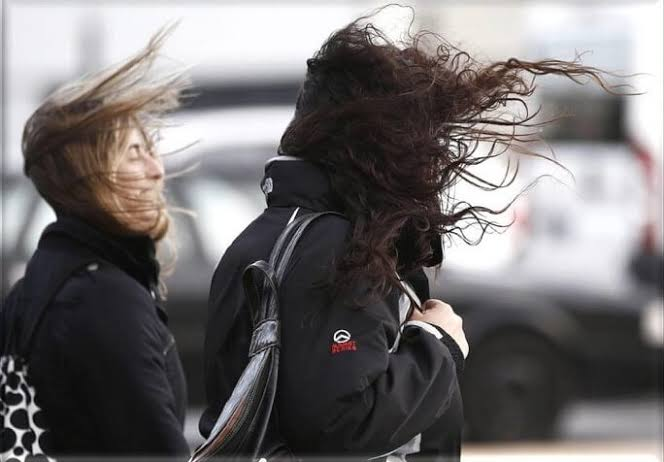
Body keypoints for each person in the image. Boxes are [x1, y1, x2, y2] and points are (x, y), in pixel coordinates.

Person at [200, 10, 614, 461]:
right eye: (418, 138)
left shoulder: (261, 237)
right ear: (378, 144)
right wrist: (436, 344)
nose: (431, 158)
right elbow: (342, 426)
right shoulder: (333, 245)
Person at [0, 27, 190, 459]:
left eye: (151, 150)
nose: (157, 169)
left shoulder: (34, 287)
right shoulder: (104, 300)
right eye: (134, 153)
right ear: (90, 178)